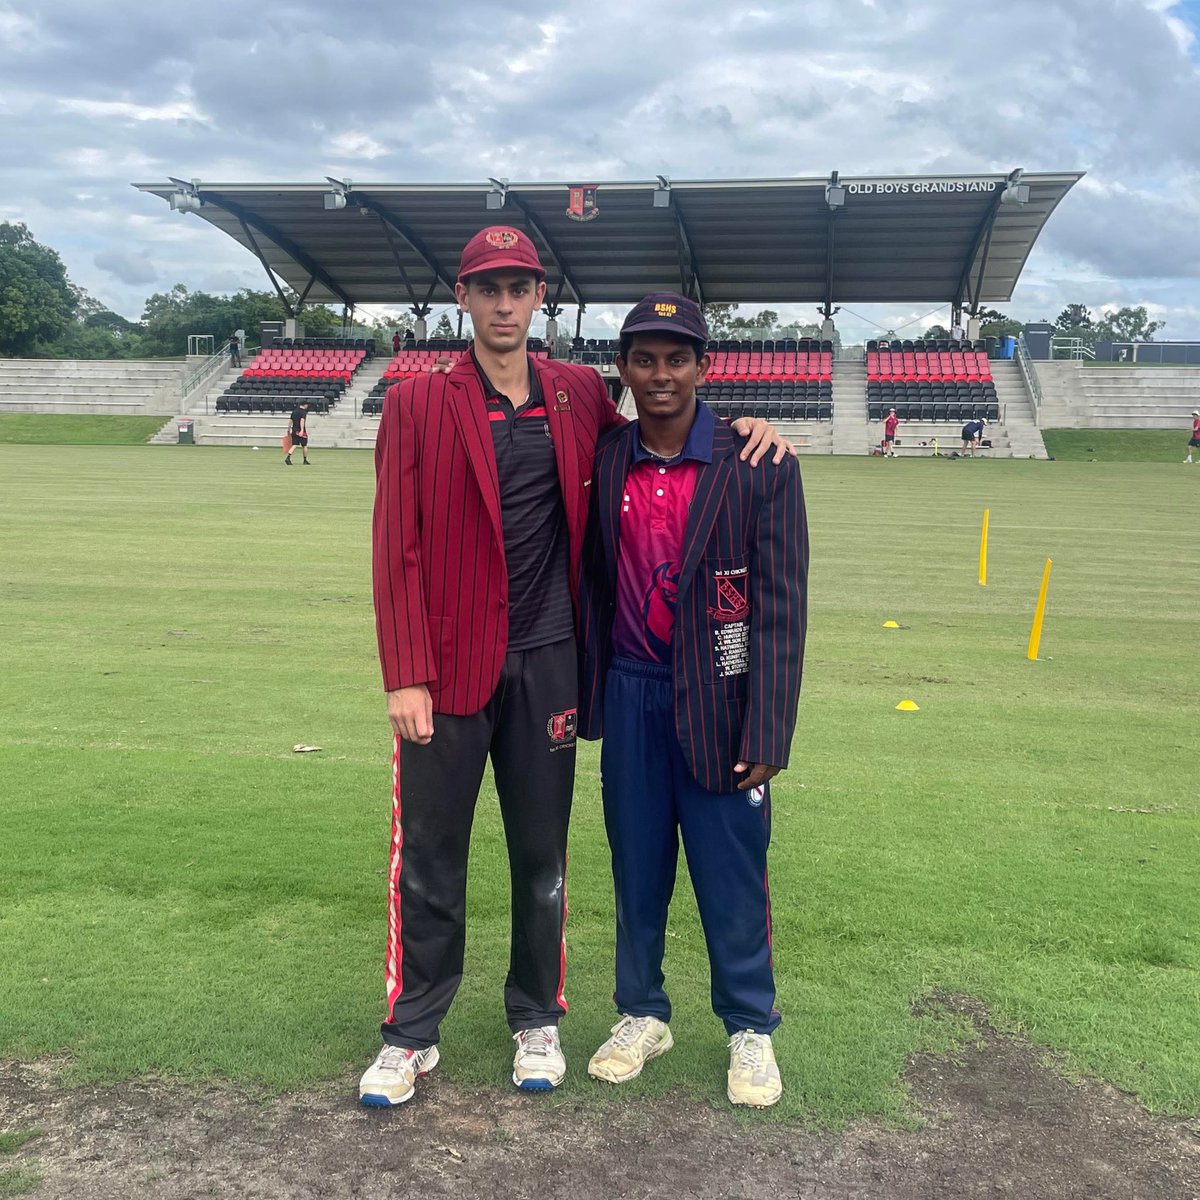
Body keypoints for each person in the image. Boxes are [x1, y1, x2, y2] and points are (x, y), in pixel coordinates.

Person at [361, 227, 792, 1108]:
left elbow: (665, 427)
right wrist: (404, 672)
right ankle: (412, 1032)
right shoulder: (416, 404)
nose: (504, 304)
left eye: (518, 288)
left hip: (552, 663)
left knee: (542, 856)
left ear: (539, 298)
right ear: (463, 298)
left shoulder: (577, 393)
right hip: (447, 670)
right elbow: (395, 544)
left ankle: (537, 1018)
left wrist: (745, 424)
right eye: (488, 288)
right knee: (431, 857)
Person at [577, 293, 807, 1108]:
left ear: (704, 367)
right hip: (632, 692)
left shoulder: (759, 463)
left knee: (731, 874)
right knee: (637, 869)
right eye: (644, 359)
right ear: (624, 369)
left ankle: (750, 1027)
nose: (661, 374)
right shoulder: (606, 458)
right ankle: (642, 1013)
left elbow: (780, 604)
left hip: (723, 699)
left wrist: (768, 727)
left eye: (678, 359)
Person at [284, 400, 309, 465]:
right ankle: (305, 460)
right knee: (304, 445)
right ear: (304, 405)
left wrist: (288, 429)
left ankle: (288, 457)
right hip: (301, 431)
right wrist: (302, 430)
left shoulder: (294, 411)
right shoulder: (303, 412)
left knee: (294, 444)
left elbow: (290, 421)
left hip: (294, 430)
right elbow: (302, 420)